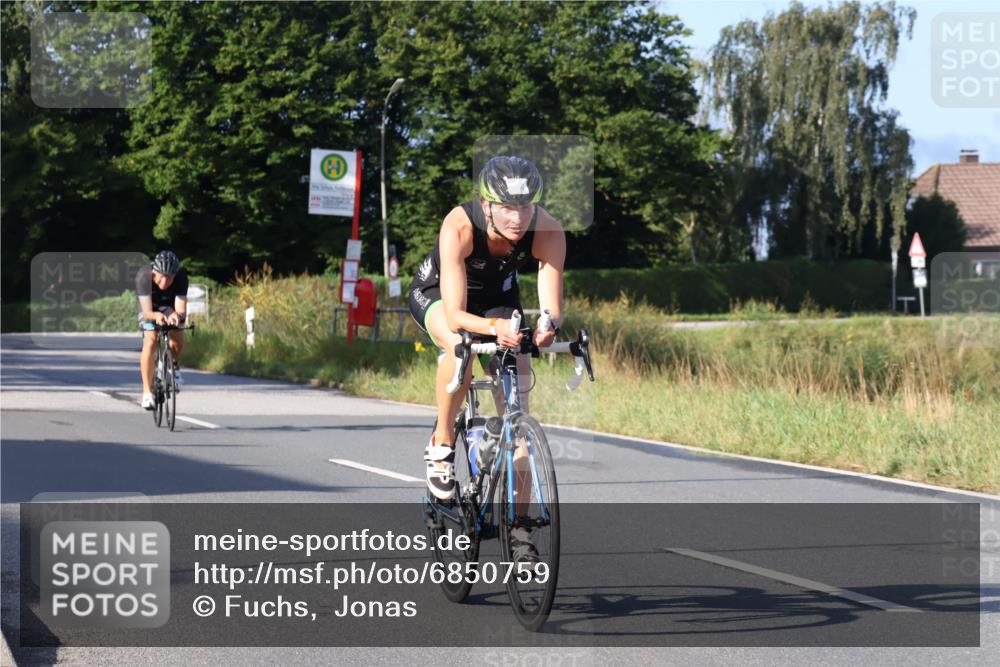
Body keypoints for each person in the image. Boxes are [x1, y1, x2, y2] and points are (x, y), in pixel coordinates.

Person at [408, 156, 566, 561]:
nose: (518, 218)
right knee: (459, 343)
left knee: (518, 413)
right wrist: (494, 331)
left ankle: (520, 530)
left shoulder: (546, 229)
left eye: (526, 207)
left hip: (499, 301)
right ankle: (442, 445)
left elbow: (551, 304)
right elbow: (457, 313)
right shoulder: (460, 225)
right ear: (486, 203)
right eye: (508, 208)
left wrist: (547, 325)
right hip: (442, 296)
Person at [135, 250, 189, 409]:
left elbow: (181, 309)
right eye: (163, 276)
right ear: (154, 273)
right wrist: (157, 316)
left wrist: (176, 317)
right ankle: (147, 393)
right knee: (150, 339)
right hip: (149, 307)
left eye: (171, 277)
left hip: (169, 305)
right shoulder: (143, 277)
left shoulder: (181, 277)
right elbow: (147, 313)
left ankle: (173, 366)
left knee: (177, 338)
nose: (167, 281)